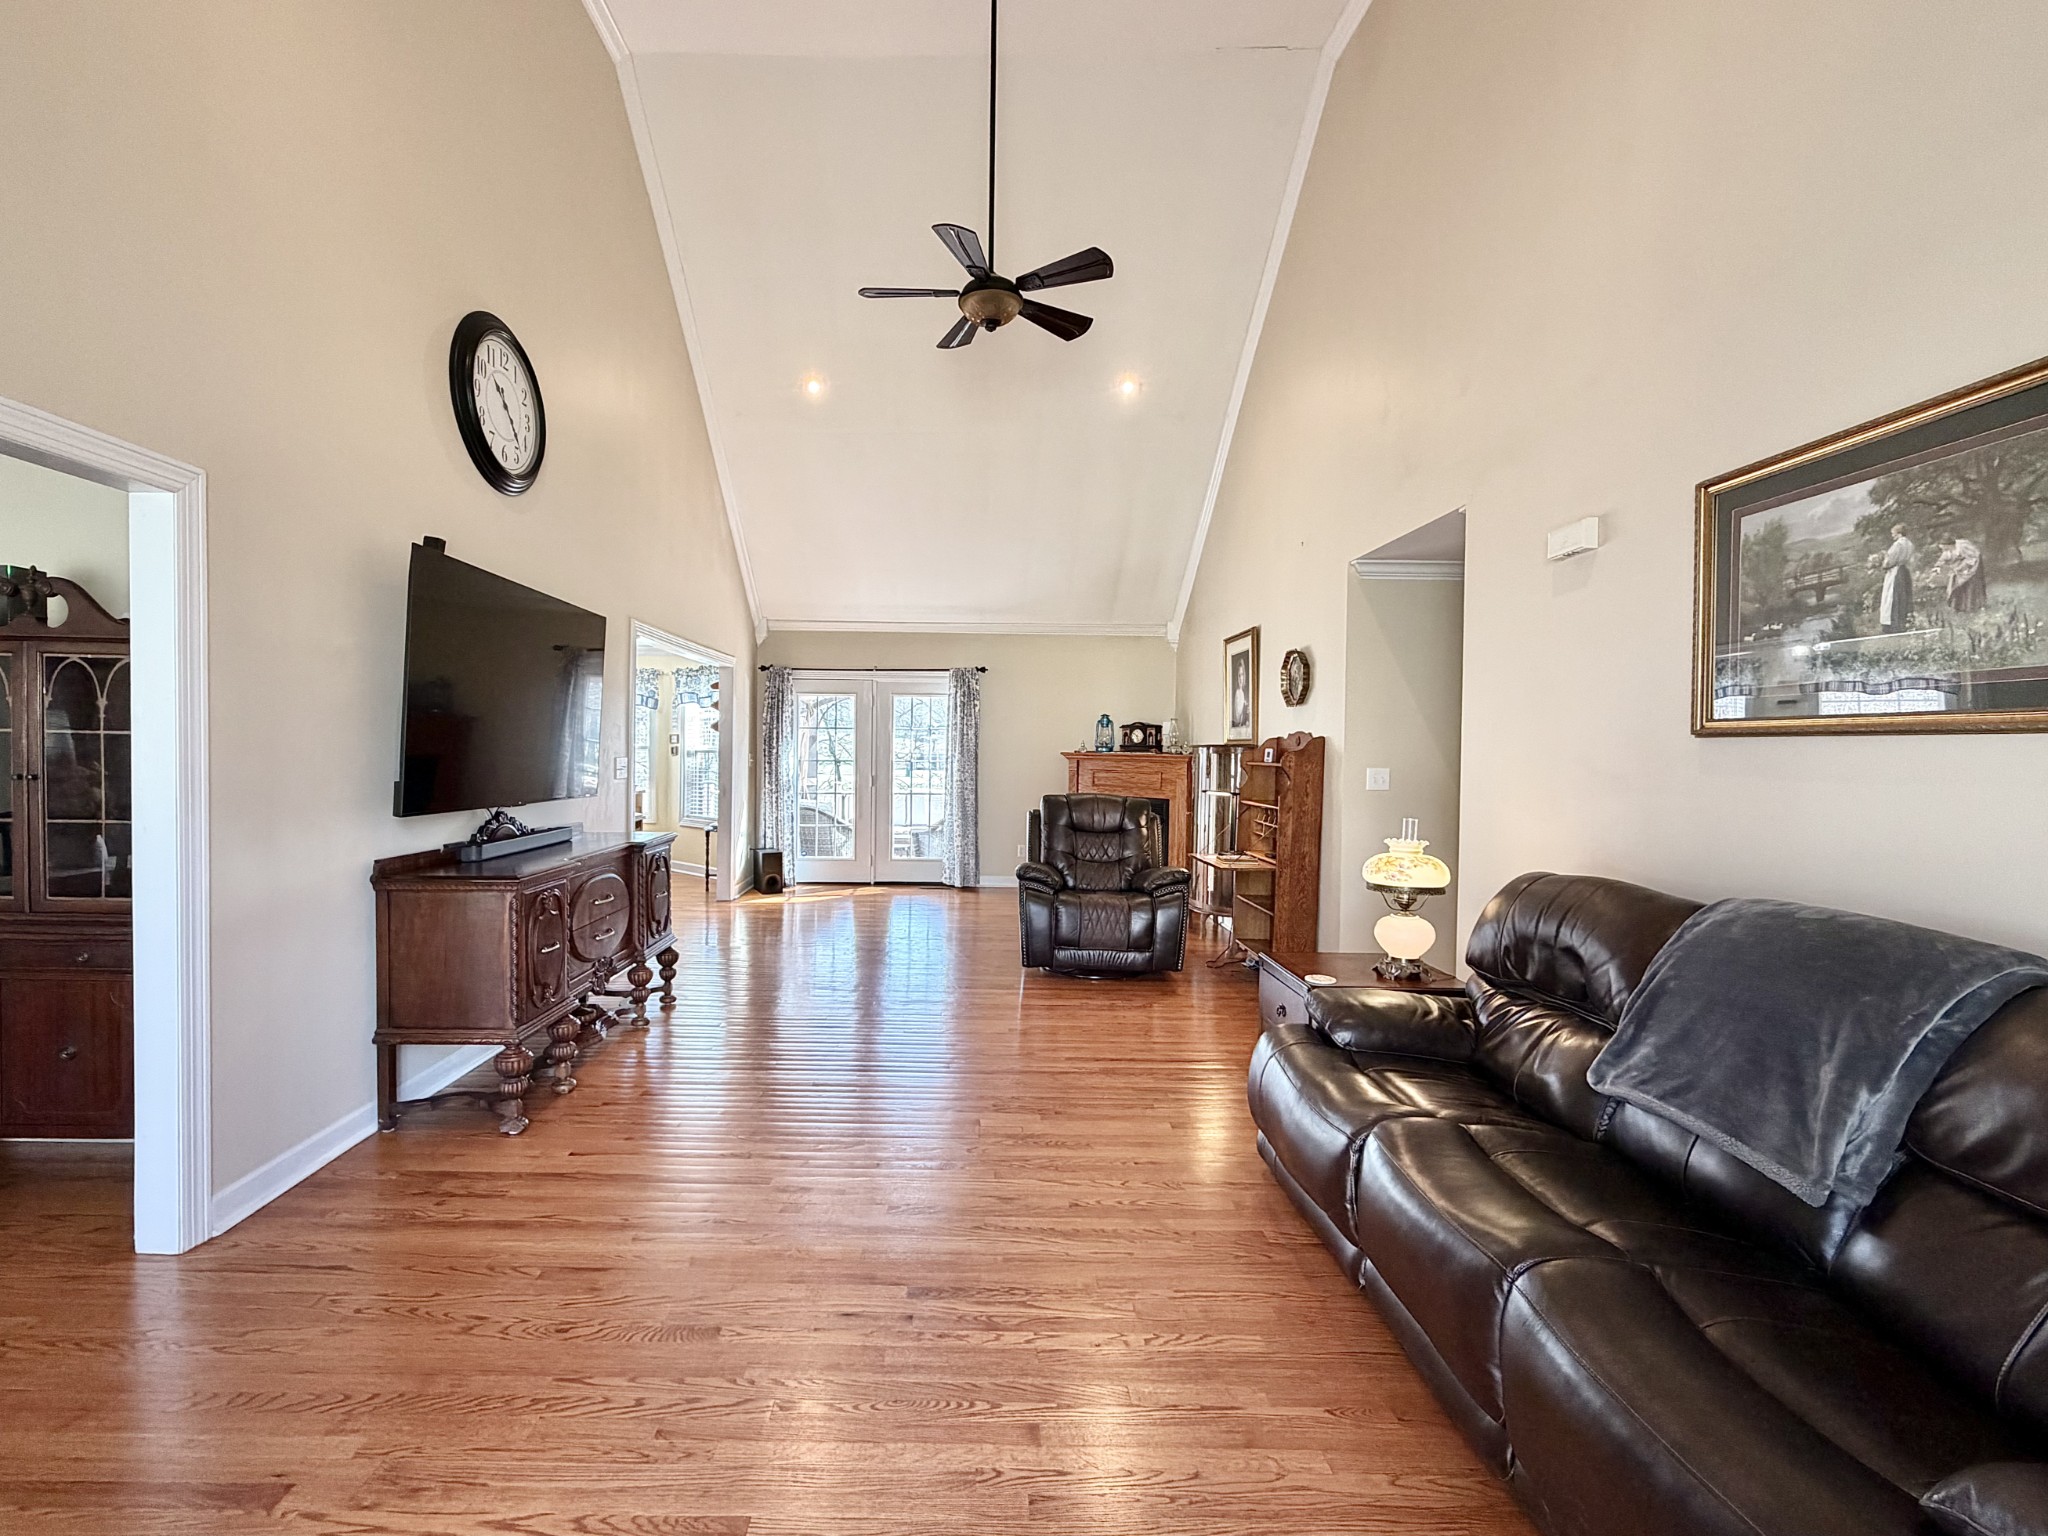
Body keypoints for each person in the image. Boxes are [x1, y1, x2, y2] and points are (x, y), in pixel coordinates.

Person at [1931, 534, 1987, 615]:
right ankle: (1959, 607)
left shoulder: (1963, 547)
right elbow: (1943, 559)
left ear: (1949, 545)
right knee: (1956, 583)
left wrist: (1961, 568)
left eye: (1945, 548)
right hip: (1963, 564)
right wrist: (1937, 567)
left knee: (1971, 585)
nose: (1944, 550)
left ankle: (1973, 607)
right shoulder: (1948, 550)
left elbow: (1973, 558)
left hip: (1974, 564)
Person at [1877, 523, 1915, 632]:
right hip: (1904, 571)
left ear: (1899, 533)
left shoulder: (1898, 545)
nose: (1892, 536)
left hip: (1896, 572)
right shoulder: (1909, 544)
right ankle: (1905, 621)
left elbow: (1889, 562)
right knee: (1904, 596)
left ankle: (1894, 624)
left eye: (1893, 533)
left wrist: (1883, 563)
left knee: (1893, 597)